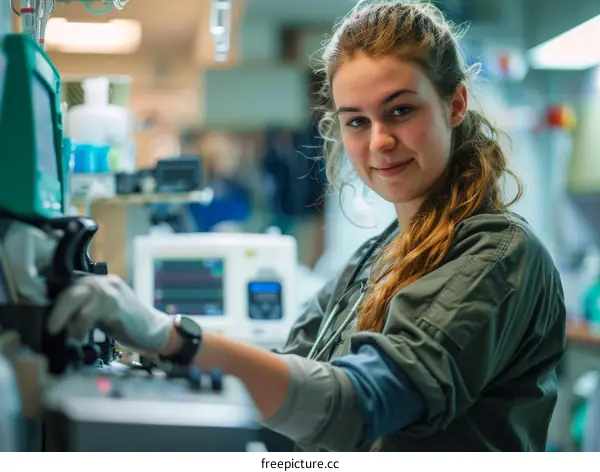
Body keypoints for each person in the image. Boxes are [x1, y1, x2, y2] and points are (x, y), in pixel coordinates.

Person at [47, 1, 566, 452]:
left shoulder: (498, 253)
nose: (379, 141)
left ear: (454, 105)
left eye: (400, 110)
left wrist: (170, 335)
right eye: (357, 121)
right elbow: (289, 384)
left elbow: (363, 405)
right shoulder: (375, 256)